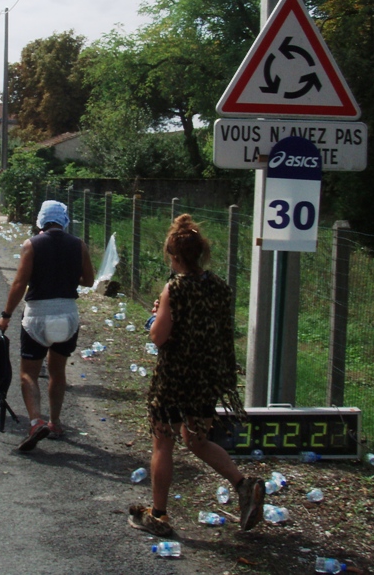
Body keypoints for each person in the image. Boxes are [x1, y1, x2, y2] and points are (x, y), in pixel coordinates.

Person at [128, 214, 265, 537]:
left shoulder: (174, 288)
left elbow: (159, 337)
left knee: (163, 441)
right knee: (197, 439)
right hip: (206, 377)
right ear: (202, 253)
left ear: (174, 257)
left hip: (175, 378)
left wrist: (155, 319)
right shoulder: (218, 286)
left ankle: (158, 514)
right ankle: (244, 486)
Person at [0, 200, 94, 452]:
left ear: (41, 220)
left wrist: (6, 315)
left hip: (38, 315)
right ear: (64, 220)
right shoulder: (79, 245)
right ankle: (55, 422)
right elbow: (89, 279)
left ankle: (35, 421)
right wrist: (67, 275)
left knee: (28, 372)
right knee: (57, 371)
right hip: (67, 315)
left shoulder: (32, 244)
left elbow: (19, 283)